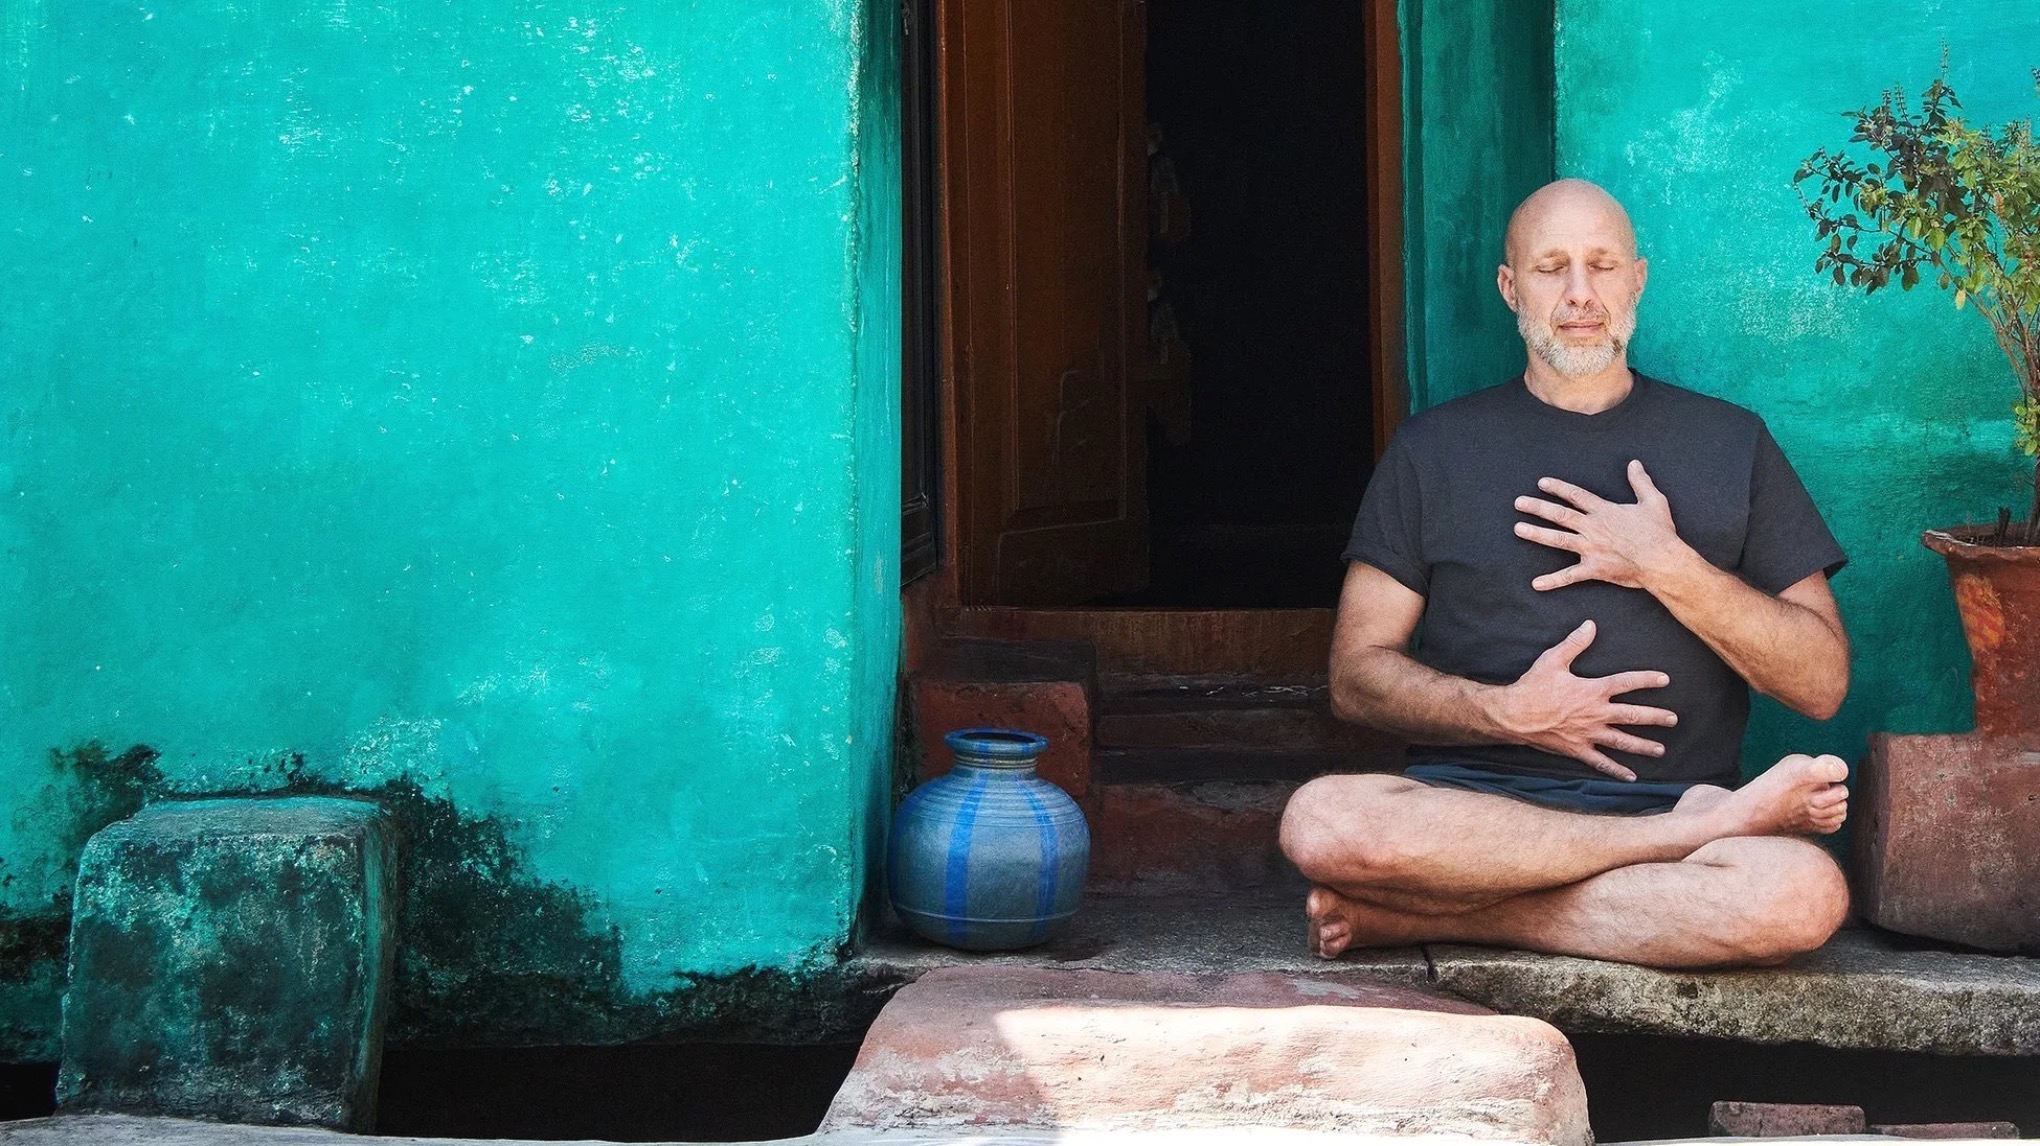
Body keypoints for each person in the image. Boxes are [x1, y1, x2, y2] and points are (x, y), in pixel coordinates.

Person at [1280, 179, 1853, 969]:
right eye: (1552, 268)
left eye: (1603, 265)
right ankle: (1682, 841)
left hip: (1674, 799)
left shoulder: (1731, 442)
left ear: (1638, 279)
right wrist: (1508, 714)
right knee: (1323, 820)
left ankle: (1441, 919)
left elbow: (1821, 682)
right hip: (1468, 819)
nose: (1580, 294)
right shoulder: (1432, 451)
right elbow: (1356, 676)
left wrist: (1664, 566)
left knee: (1803, 896)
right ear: (1510, 288)